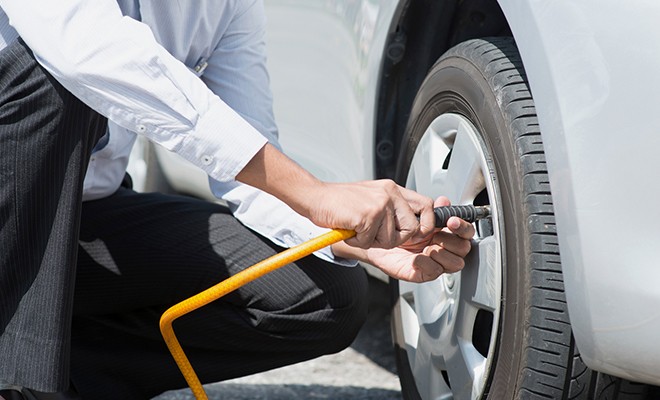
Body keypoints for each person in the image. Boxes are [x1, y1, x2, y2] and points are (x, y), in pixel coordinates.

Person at [0, 1, 475, 399]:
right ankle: (21, 380)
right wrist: (313, 194)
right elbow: (90, 51)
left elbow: (252, 175)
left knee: (324, 293)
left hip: (82, 227)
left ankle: (58, 373)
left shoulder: (224, 6)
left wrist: (360, 241)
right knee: (53, 79)